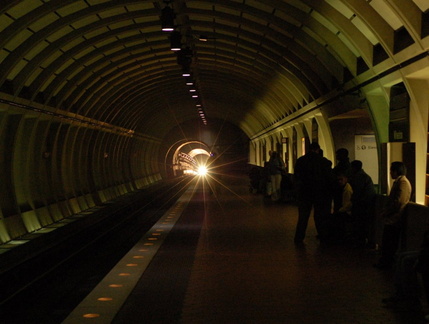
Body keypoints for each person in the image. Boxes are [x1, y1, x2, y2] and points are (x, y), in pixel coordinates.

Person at [293, 142, 334, 244]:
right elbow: (329, 178)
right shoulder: (324, 162)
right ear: (318, 150)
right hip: (320, 193)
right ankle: (323, 236)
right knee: (320, 216)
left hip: (304, 193)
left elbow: (296, 177)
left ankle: (299, 237)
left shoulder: (301, 161)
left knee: (303, 216)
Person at [374, 161, 412, 269]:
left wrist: (387, 212)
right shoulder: (400, 181)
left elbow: (398, 201)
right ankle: (385, 262)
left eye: (391, 170)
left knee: (389, 241)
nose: (390, 173)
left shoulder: (402, 183)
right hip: (394, 217)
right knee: (388, 241)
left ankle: (386, 263)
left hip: (395, 218)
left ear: (396, 171)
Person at [348, 160, 376, 247]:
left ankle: (360, 241)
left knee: (360, 223)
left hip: (361, 205)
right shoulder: (365, 177)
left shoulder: (358, 177)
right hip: (366, 204)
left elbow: (357, 192)